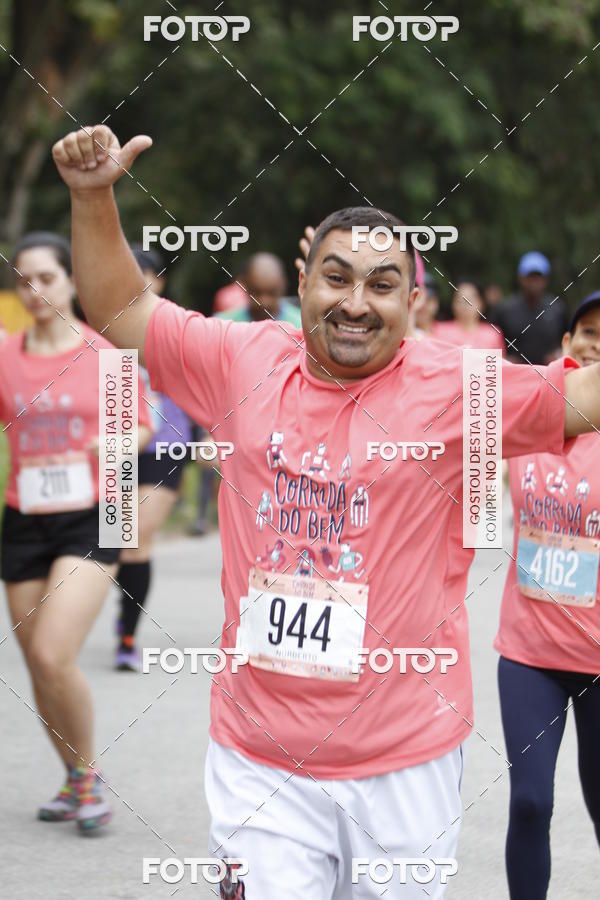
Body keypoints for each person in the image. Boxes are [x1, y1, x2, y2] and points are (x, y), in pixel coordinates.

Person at [52, 124, 600, 897]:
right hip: (259, 763)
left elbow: (581, 395)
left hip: (406, 763)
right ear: (302, 282)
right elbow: (121, 310)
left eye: (381, 286)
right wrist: (93, 196)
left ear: (412, 302)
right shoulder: (242, 357)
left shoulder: (458, 388)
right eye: (336, 278)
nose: (354, 303)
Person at [0, 231, 151, 831]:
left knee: (50, 650)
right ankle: (73, 776)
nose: (35, 290)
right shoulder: (6, 354)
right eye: (23, 279)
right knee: (41, 666)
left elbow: (141, 429)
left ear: (71, 281)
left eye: (48, 278)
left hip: (97, 509)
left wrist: (110, 442)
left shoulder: (105, 353)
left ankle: (88, 781)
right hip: (24, 517)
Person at [495, 291, 600, 900]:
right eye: (587, 332)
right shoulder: (531, 411)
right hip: (530, 655)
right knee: (530, 803)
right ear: (565, 344)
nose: (595, 347)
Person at [114, 246, 192, 670]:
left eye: (141, 273)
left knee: (137, 539)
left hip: (166, 446)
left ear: (158, 280)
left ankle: (126, 638)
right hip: (116, 449)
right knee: (117, 542)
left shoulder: (178, 327)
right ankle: (123, 614)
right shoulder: (102, 326)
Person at [190, 252, 301, 535]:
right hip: (236, 430)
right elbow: (208, 383)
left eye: (272, 293)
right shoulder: (220, 326)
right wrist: (207, 433)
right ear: (244, 290)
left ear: (285, 287)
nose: (264, 301)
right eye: (256, 293)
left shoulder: (302, 326)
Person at [493, 252, 568, 364]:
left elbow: (568, 340)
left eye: (538, 277)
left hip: (549, 374)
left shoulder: (557, 309)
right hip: (515, 376)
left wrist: (559, 353)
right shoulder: (505, 310)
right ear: (521, 279)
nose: (534, 282)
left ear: (545, 280)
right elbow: (492, 340)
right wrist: (504, 359)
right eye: (530, 277)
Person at [433, 279, 505, 350]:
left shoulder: (492, 334)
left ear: (481, 303)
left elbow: (498, 361)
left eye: (470, 300)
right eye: (459, 300)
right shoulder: (438, 330)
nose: (465, 305)